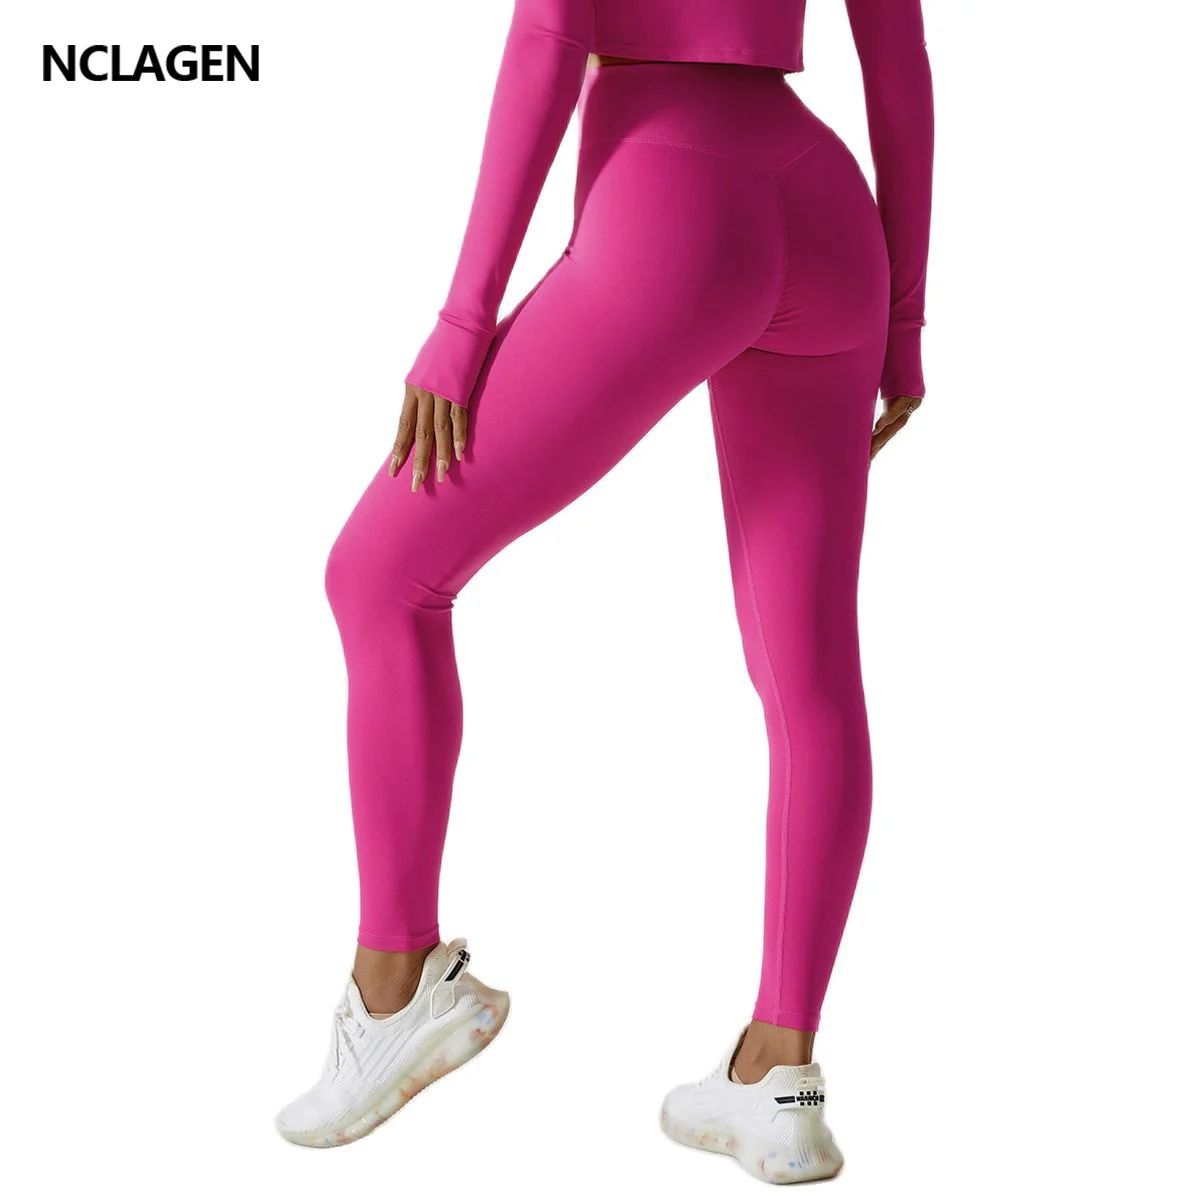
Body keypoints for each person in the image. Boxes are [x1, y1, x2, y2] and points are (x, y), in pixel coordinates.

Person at [275, 0, 933, 1182]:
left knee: (380, 578)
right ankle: (778, 1077)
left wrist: (463, 323)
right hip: (829, 212)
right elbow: (899, 58)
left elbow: (549, 35)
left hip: (673, 198)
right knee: (809, 672)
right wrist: (904, 314)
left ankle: (397, 984)